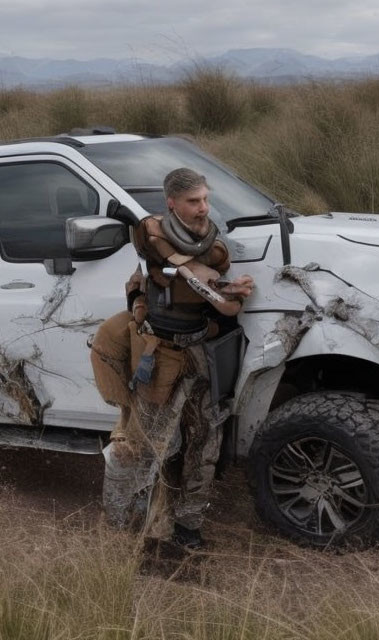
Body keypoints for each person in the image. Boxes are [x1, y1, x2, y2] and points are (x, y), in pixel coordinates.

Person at [90, 167, 254, 549]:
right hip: (160, 356)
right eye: (194, 202)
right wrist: (203, 281)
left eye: (206, 200)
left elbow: (222, 297)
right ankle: (116, 526)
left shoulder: (212, 243)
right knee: (139, 445)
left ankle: (188, 529)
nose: (203, 209)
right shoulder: (152, 235)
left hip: (201, 354)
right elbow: (153, 242)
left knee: (204, 444)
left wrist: (230, 290)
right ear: (172, 203)